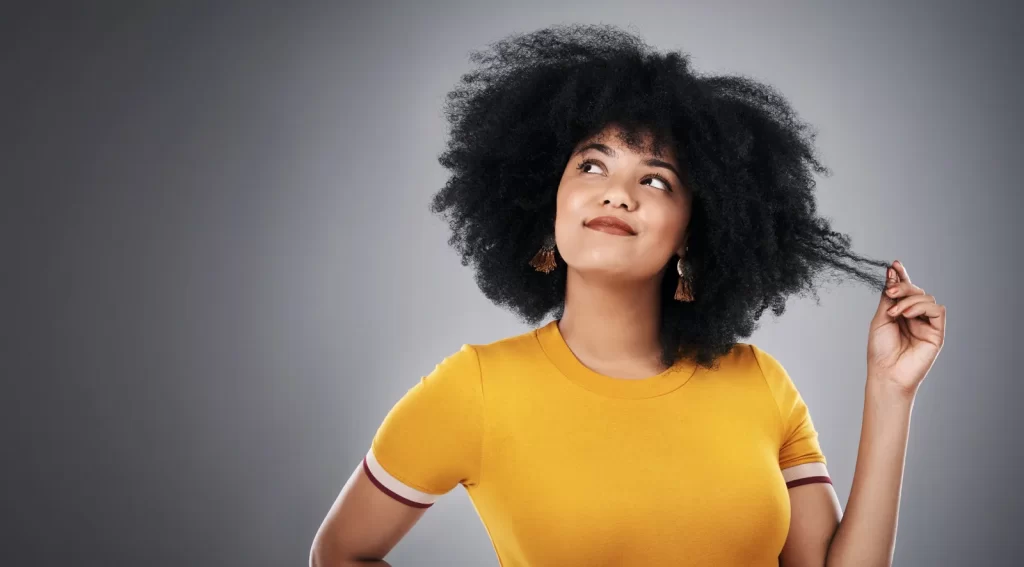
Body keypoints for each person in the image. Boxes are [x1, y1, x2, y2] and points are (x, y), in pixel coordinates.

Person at [310, 23, 946, 567]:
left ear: (691, 234)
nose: (618, 193)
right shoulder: (472, 388)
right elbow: (339, 553)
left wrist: (891, 393)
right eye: (592, 165)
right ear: (546, 199)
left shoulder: (760, 383)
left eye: (657, 180)